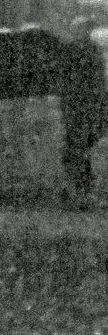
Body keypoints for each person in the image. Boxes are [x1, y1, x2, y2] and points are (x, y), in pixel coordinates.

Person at [59, 16, 108, 206]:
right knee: (80, 150)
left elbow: (69, 82)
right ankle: (82, 192)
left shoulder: (76, 52)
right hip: (84, 110)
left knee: (78, 150)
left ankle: (81, 192)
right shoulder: (91, 52)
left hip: (81, 110)